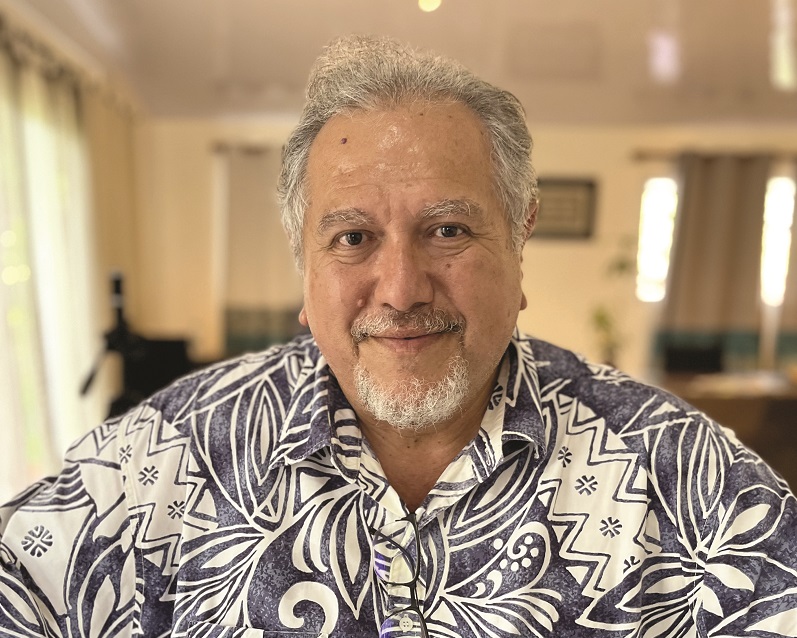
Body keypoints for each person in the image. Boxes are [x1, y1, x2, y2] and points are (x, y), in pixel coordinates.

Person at [1, 35, 796, 638]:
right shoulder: (162, 457)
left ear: (519, 243)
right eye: (351, 239)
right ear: (302, 270)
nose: (402, 288)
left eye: (447, 229)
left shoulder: (692, 484)